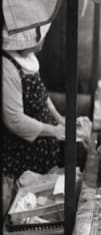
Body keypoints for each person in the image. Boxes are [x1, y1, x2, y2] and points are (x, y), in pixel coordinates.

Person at [1, 24, 86, 216]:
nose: (43, 39)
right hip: (20, 154)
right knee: (27, 206)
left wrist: (58, 118)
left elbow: (41, 94)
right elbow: (14, 120)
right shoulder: (7, 66)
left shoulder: (27, 58)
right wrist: (54, 130)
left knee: (44, 203)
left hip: (41, 147)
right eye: (41, 36)